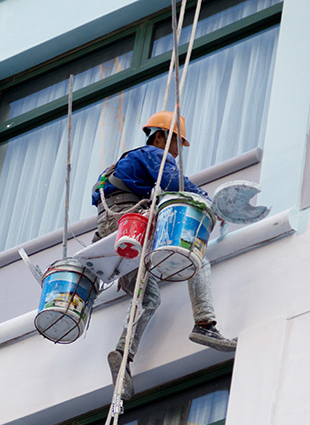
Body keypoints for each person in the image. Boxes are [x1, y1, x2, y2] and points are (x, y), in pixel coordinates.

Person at [91, 111, 236, 400]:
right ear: (160, 137)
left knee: (148, 298)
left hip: (114, 233)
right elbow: (174, 183)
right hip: (132, 220)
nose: (176, 151)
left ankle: (123, 355)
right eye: (175, 144)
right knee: (195, 257)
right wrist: (208, 203)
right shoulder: (151, 154)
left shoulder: (118, 166)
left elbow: (98, 197)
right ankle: (205, 324)